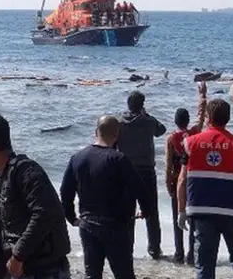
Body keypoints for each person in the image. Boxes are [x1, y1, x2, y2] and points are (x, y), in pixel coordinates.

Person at [0, 114, 71, 279]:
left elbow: (44, 214)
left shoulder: (27, 172)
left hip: (46, 269)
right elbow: (6, 235)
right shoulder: (0, 181)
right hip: (23, 268)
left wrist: (18, 256)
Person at [177, 98, 233, 279]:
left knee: (204, 267)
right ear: (228, 118)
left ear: (208, 117)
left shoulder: (190, 143)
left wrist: (181, 211)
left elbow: (182, 180)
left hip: (202, 212)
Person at [60, 115, 153, 279]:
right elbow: (140, 189)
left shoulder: (78, 158)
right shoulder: (118, 159)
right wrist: (146, 210)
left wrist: (71, 217)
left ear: (96, 132)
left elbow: (65, 191)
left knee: (92, 275)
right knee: (124, 274)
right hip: (114, 226)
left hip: (87, 224)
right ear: (116, 134)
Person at [116, 90, 167, 259]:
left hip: (126, 171)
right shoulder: (149, 121)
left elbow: (113, 144)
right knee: (151, 211)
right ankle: (154, 249)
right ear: (142, 105)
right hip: (146, 171)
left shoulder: (119, 122)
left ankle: (127, 248)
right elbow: (162, 130)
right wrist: (147, 114)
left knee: (127, 211)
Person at [165, 82, 207, 265]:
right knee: (193, 218)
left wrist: (168, 184)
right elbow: (202, 116)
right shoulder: (195, 132)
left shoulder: (171, 138)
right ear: (187, 121)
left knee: (178, 217)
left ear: (175, 121)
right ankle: (192, 254)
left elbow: (168, 164)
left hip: (177, 181)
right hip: (193, 179)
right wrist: (203, 95)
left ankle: (179, 253)